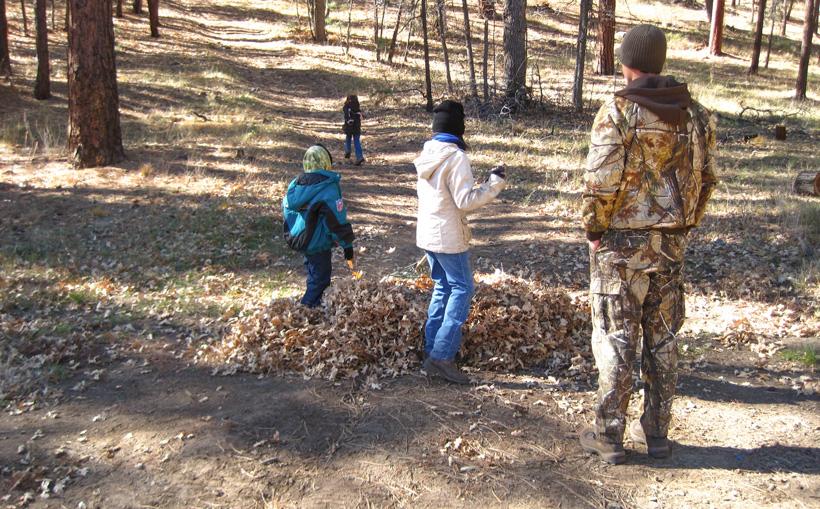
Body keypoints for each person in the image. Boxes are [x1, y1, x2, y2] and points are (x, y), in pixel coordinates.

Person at [578, 25, 717, 464]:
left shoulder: (618, 111)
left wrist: (595, 231)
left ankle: (609, 434)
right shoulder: (695, 114)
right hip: (671, 248)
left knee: (617, 334)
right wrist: (684, 224)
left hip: (621, 248)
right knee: (663, 338)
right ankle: (656, 433)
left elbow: (600, 182)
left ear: (628, 62)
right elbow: (707, 179)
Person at [414, 100, 507, 384]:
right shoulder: (455, 158)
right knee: (462, 289)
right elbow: (465, 201)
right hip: (448, 237)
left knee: (443, 287)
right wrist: (494, 184)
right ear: (458, 128)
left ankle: (431, 350)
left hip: (428, 234)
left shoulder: (428, 153)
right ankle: (442, 356)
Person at [282, 144, 356, 308]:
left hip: (302, 239)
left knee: (314, 272)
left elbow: (288, 210)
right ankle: (307, 310)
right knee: (320, 279)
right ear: (326, 164)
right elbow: (337, 221)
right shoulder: (327, 187)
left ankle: (312, 306)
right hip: (317, 242)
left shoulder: (296, 184)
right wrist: (347, 246)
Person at [343, 95, 365, 166]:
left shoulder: (346, 107)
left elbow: (346, 116)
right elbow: (361, 117)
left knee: (348, 138)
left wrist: (348, 121)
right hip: (357, 127)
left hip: (349, 127)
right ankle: (359, 156)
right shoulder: (357, 108)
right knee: (356, 141)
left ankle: (348, 151)